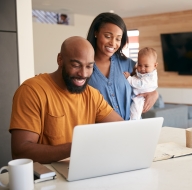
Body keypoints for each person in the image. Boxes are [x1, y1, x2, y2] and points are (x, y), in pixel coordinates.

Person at [9, 36, 123, 164]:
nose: (83, 74)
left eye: (89, 66)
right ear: (60, 60)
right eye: (76, 65)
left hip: (82, 171)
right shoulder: (32, 91)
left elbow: (122, 129)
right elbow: (20, 152)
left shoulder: (92, 95)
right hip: (46, 177)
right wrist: (77, 147)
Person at [87, 12, 158, 120]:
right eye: (108, 36)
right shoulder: (84, 67)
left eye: (118, 39)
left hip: (130, 129)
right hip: (100, 132)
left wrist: (154, 93)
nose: (113, 43)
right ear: (96, 33)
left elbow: (147, 80)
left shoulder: (128, 64)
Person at [123, 47, 158, 120]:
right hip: (137, 94)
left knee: (135, 111)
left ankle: (133, 123)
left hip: (141, 97)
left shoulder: (151, 77)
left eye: (146, 66)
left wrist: (129, 78)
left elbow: (140, 83)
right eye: (139, 65)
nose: (142, 68)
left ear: (155, 66)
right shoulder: (145, 72)